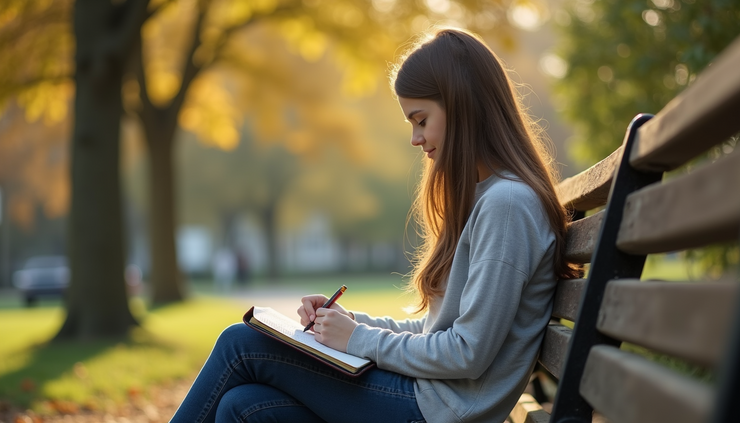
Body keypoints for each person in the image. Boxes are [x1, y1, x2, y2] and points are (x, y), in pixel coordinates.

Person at [170, 27, 579, 423]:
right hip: (430, 399)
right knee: (243, 406)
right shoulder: (490, 200)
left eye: (421, 120)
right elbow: (436, 331)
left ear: (463, 107)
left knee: (240, 343)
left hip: (438, 411)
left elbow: (467, 353)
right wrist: (350, 324)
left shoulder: (507, 205)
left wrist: (356, 340)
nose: (415, 139)